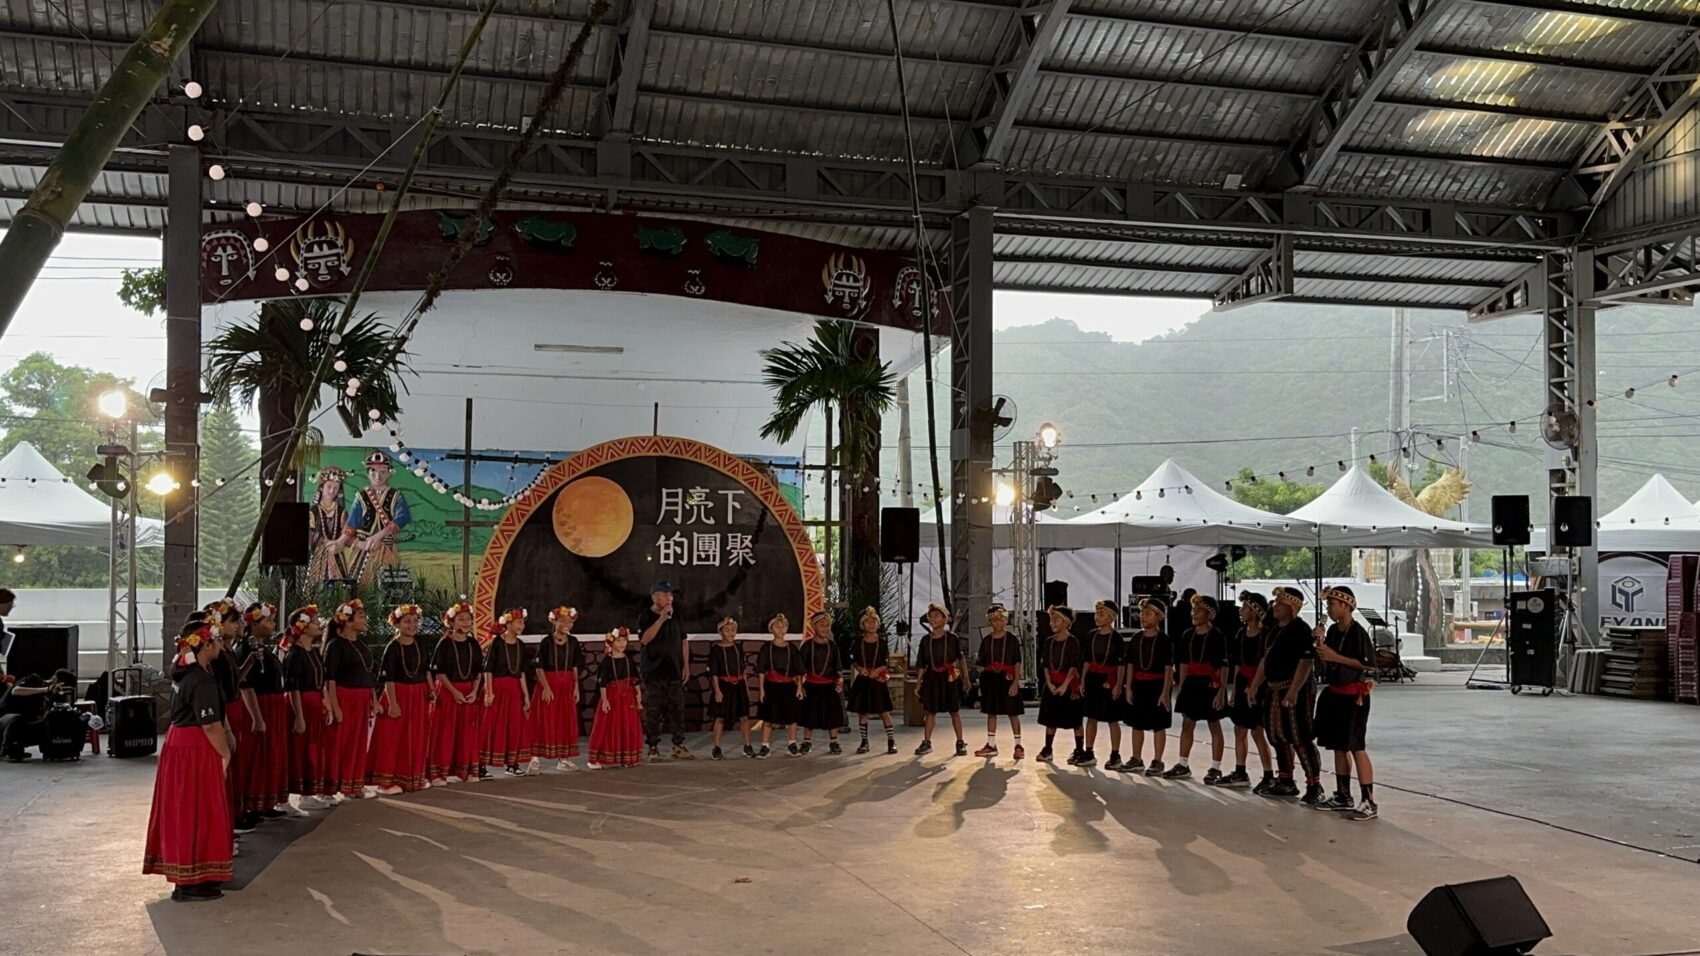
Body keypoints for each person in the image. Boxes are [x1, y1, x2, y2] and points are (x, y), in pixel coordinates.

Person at [143, 621, 234, 902]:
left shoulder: (186, 674)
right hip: (194, 747)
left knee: (186, 808)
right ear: (205, 645)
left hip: (180, 744)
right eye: (217, 641)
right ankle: (190, 879)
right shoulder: (200, 679)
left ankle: (192, 874)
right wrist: (225, 753)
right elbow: (210, 724)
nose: (220, 646)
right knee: (196, 810)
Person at [1248, 587, 1325, 805]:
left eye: (1280, 603)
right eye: (1275, 602)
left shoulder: (1300, 629)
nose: (1275, 606)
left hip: (1295, 689)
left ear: (1292, 607)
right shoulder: (1274, 630)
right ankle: (1286, 780)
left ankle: (1314, 785)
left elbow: (1306, 662)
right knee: (1277, 736)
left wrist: (1293, 691)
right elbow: (1265, 660)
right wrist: (1254, 685)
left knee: (1300, 737)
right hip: (1274, 689)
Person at [1312, 586, 1379, 820]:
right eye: (1328, 604)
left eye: (1332, 604)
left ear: (1345, 605)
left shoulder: (1358, 632)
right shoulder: (1333, 630)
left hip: (1354, 697)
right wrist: (1320, 644)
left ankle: (1369, 800)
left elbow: (1369, 665)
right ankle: (1343, 794)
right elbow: (1326, 663)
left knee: (1356, 746)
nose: (1329, 609)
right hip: (1335, 694)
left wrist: (1335, 656)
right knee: (1338, 746)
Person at [1165, 595, 1230, 783]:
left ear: (1210, 614)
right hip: (1192, 684)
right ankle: (1183, 764)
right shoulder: (1187, 635)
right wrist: (1182, 687)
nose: (1194, 614)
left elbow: (1223, 666)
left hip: (1211, 684)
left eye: (1199, 610)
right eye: (1193, 610)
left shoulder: (1217, 635)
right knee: (1187, 724)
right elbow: (1183, 663)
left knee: (1214, 725)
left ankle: (1215, 767)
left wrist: (1221, 692)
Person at [368, 604, 431, 794]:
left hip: (418, 694)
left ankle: (413, 778)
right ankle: (387, 782)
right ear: (397, 624)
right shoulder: (392, 647)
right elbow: (389, 678)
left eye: (415, 621)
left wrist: (430, 689)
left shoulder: (420, 643)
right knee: (394, 738)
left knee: (416, 737)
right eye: (407, 622)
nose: (412, 625)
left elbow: (426, 670)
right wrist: (393, 703)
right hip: (398, 695)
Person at [1216, 592, 1275, 792]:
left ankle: (1268, 774)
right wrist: (1234, 689)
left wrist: (1255, 685)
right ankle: (1240, 771)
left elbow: (1265, 664)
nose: (1240, 611)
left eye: (1245, 608)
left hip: (1260, 684)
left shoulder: (1266, 635)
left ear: (1255, 611)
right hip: (1243, 682)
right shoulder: (1241, 633)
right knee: (1239, 728)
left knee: (1257, 731)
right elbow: (1238, 663)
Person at [236, 603, 290, 823]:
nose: (272, 624)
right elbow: (246, 686)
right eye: (268, 621)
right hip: (259, 705)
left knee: (270, 755)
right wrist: (257, 717)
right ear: (254, 624)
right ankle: (251, 804)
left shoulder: (262, 648)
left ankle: (266, 801)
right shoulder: (245, 649)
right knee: (257, 756)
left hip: (273, 705)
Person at [321, 599, 378, 801]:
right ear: (347, 620)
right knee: (339, 744)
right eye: (361, 616)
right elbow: (330, 679)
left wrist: (373, 700)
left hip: (361, 698)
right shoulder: (335, 646)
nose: (365, 619)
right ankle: (329, 788)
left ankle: (354, 784)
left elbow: (368, 675)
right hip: (344, 697)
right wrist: (335, 707)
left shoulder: (361, 644)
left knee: (357, 743)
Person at [428, 602, 484, 785]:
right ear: (451, 622)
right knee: (445, 733)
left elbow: (478, 672)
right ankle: (438, 774)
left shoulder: (473, 644)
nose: (466, 622)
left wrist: (474, 691)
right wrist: (454, 692)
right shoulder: (444, 643)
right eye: (461, 619)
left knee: (467, 733)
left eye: (468, 619)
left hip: (469, 692)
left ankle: (465, 771)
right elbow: (439, 672)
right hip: (448, 691)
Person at [637, 582, 692, 762]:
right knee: (653, 711)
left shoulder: (676, 616)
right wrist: (661, 618)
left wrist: (685, 665)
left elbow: (684, 640)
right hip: (653, 671)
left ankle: (678, 745)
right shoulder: (645, 616)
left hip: (674, 670)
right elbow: (644, 640)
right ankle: (653, 747)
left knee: (677, 710)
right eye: (665, 594)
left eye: (670, 595)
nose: (669, 598)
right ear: (654, 597)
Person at [340, 452, 412, 588]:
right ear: (368, 473)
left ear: (389, 473)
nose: (378, 477)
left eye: (382, 472)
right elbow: (351, 523)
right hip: (364, 548)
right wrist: (342, 541)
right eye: (373, 472)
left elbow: (403, 517)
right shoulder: (361, 496)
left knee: (387, 586)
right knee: (358, 584)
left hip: (386, 548)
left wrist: (379, 536)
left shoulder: (396, 495)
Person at [281, 606, 328, 811]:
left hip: (314, 704)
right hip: (301, 705)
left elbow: (320, 682)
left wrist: (325, 705)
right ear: (302, 626)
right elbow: (293, 687)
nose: (318, 624)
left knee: (313, 748)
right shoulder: (295, 654)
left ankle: (309, 791)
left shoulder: (314, 651)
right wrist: (299, 717)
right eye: (314, 622)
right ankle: (293, 794)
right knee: (299, 750)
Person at [531, 605, 585, 771]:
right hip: (549, 684)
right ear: (554, 622)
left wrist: (576, 687)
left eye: (570, 621)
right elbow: (539, 666)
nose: (567, 624)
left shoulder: (573, 642)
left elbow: (575, 665)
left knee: (565, 721)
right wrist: (546, 687)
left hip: (567, 685)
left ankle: (564, 758)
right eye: (563, 621)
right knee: (543, 721)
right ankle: (534, 759)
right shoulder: (547, 642)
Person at [1123, 599, 1174, 776]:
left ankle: (1158, 760)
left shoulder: (1164, 640)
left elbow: (1168, 667)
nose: (1143, 617)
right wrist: (1128, 687)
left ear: (1158, 617)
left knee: (1158, 725)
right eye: (1142, 613)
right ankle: (1136, 758)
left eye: (1148, 614)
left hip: (1157, 686)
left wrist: (1165, 692)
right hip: (1139, 684)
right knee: (1137, 724)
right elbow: (1130, 663)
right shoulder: (1137, 638)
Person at [482, 608, 534, 777]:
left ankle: (512, 763)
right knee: (491, 726)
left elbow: (521, 673)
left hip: (514, 690)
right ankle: (482, 766)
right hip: (497, 689)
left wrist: (526, 695)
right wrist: (489, 692)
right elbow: (488, 669)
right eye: (519, 622)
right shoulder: (497, 642)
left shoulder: (520, 645)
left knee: (513, 727)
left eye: (523, 622)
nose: (522, 626)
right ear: (508, 624)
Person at [912, 603, 969, 757]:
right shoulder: (925, 640)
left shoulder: (952, 638)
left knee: (954, 711)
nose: (933, 619)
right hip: (932, 678)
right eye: (931, 617)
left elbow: (961, 658)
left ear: (945, 619)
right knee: (930, 711)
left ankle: (960, 742)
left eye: (937, 616)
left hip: (949, 677)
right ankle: (926, 742)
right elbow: (921, 664)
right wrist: (918, 683)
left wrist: (966, 678)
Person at [1077, 600, 1124, 769]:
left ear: (1111, 618)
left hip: (1109, 679)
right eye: (1096, 614)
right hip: (1092, 678)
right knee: (1091, 717)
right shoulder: (1091, 635)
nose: (1097, 617)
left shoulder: (1116, 638)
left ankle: (1115, 754)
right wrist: (1082, 680)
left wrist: (1118, 684)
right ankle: (1089, 751)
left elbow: (1120, 664)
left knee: (1112, 719)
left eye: (1102, 614)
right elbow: (1087, 660)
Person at [587, 628, 643, 769]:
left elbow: (635, 680)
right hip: (612, 696)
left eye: (624, 640)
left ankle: (626, 758)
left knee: (627, 726)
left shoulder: (628, 660)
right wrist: (605, 700)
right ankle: (595, 759)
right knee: (608, 726)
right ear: (611, 643)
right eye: (619, 640)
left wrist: (638, 696)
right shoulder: (607, 661)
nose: (622, 643)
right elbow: (603, 682)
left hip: (627, 696)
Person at [975, 604, 1024, 760]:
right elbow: (981, 663)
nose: (998, 623)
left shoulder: (1012, 640)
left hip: (1008, 678)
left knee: (1013, 712)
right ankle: (991, 745)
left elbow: (1017, 662)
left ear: (1006, 620)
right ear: (990, 622)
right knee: (991, 712)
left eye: (1001, 619)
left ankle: (1018, 745)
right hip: (991, 680)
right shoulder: (987, 640)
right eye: (995, 620)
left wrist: (1016, 682)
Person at [1035, 606, 1083, 763]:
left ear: (1066, 622)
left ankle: (1079, 750)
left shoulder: (1073, 642)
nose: (1052, 623)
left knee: (1076, 720)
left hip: (1069, 685)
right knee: (1050, 719)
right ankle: (1048, 749)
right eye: (1051, 619)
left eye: (1056, 619)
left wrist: (1064, 685)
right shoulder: (1049, 642)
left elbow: (1074, 666)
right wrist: (1049, 683)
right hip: (1052, 684)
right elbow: (1046, 665)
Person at [847, 606, 896, 755]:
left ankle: (891, 741)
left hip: (878, 681)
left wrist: (878, 671)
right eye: (867, 622)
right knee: (863, 712)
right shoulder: (858, 642)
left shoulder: (882, 642)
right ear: (862, 625)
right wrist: (860, 668)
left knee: (884, 711)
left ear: (878, 624)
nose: (871, 624)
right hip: (863, 680)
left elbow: (886, 662)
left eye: (874, 621)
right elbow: (853, 660)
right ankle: (864, 741)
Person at [755, 613, 803, 757]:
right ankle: (765, 746)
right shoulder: (766, 648)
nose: (781, 629)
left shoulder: (792, 648)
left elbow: (799, 670)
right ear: (771, 629)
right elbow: (761, 671)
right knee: (768, 718)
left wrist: (799, 687)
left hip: (789, 686)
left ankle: (792, 744)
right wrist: (761, 690)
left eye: (783, 626)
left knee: (792, 717)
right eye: (777, 627)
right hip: (771, 686)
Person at [798, 610, 846, 755]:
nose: (825, 628)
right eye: (822, 625)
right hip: (811, 686)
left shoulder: (832, 646)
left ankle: (834, 741)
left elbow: (838, 667)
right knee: (809, 715)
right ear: (814, 627)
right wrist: (800, 686)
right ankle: (807, 741)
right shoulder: (807, 646)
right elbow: (800, 668)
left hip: (829, 686)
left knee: (832, 715)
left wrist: (840, 680)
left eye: (827, 625)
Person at [0, 669, 73, 761]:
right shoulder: (34, 679)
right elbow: (15, 691)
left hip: (20, 724)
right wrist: (46, 689)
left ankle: (50, 752)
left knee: (46, 724)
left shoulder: (47, 696)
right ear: (55, 680)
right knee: (16, 719)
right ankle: (6, 750)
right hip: (3, 719)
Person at [706, 616, 753, 759]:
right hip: (724, 686)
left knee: (744, 717)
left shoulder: (738, 648)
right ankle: (717, 747)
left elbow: (743, 670)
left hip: (739, 686)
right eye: (727, 630)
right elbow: (714, 673)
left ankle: (747, 745)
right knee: (720, 718)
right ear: (721, 632)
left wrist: (746, 688)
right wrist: (717, 690)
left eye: (733, 630)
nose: (731, 633)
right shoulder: (716, 650)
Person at [307, 466, 350, 587]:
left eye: (336, 488)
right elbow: (309, 534)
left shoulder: (342, 512)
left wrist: (340, 543)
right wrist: (325, 542)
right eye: (329, 487)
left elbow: (347, 534)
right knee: (317, 588)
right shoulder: (313, 511)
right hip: (318, 557)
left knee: (339, 588)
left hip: (337, 555)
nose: (332, 491)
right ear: (322, 487)